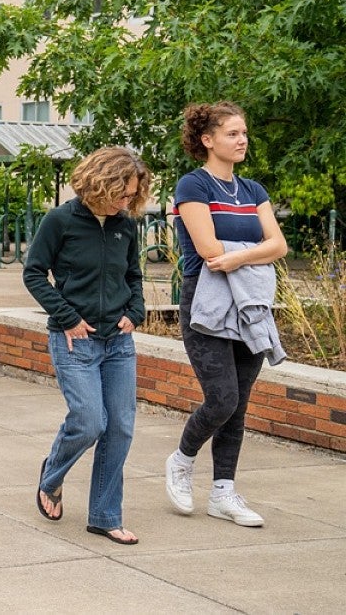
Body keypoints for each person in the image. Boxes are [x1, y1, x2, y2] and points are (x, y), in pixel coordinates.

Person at [164, 102, 288, 527]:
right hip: (207, 301)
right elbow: (208, 250)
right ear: (207, 140)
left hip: (251, 304)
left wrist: (238, 259)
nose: (242, 140)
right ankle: (181, 460)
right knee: (222, 399)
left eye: (244, 133)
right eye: (233, 133)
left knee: (239, 407)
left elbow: (280, 245)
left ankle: (223, 492)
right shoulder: (193, 185)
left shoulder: (253, 190)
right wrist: (255, 255)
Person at [23, 146, 150, 545]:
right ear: (101, 183)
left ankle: (105, 515)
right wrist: (68, 317)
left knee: (121, 429)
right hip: (74, 340)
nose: (127, 201)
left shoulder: (124, 225)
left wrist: (137, 310)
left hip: (118, 341)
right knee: (90, 421)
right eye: (122, 193)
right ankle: (52, 475)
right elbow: (34, 274)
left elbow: (133, 274)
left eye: (132, 195)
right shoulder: (60, 220)